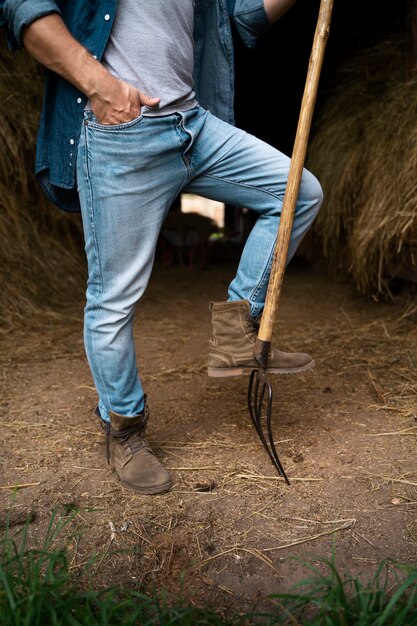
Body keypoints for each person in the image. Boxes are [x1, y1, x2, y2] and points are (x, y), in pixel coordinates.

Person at [0, 0, 323, 495]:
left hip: (193, 123)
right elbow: (23, 7)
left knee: (297, 192)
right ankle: (124, 428)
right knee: (114, 296)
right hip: (122, 133)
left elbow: (242, 17)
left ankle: (236, 334)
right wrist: (100, 85)